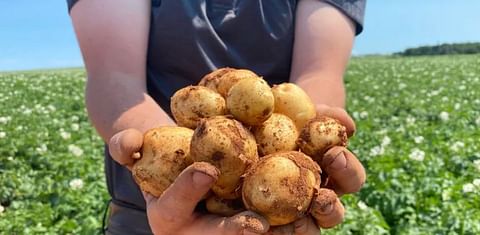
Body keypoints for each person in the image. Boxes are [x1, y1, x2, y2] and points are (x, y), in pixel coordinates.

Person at [67, 0, 367, 234]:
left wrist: (310, 143)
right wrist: (183, 186)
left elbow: (320, 72)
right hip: (145, 214)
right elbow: (114, 77)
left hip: (274, 221)